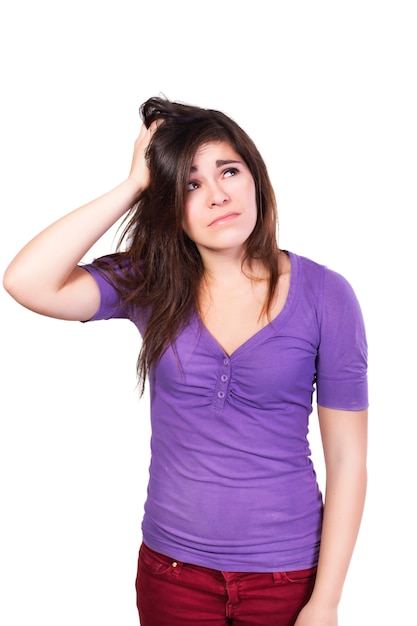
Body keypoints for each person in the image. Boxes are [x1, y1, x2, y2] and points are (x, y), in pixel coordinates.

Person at [3, 96, 368, 626]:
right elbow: (26, 281)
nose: (217, 195)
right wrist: (132, 184)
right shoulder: (151, 283)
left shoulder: (326, 296)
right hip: (172, 574)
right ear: (169, 204)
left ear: (256, 178)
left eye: (229, 171)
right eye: (191, 185)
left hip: (287, 576)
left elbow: (349, 462)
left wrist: (327, 600)